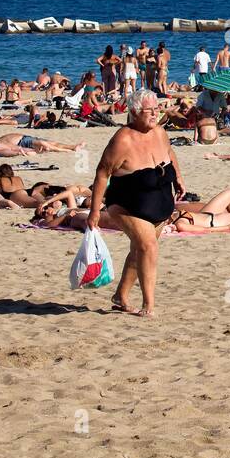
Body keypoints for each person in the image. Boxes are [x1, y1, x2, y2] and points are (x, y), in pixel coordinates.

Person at [88, 89, 186, 318]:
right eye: (149, 110)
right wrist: (94, 211)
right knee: (148, 246)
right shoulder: (122, 139)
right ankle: (149, 304)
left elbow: (170, 153)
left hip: (159, 202)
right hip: (126, 204)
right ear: (134, 112)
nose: (155, 113)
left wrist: (179, 178)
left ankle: (120, 296)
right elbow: (102, 173)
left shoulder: (160, 132)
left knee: (138, 251)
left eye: (157, 108)